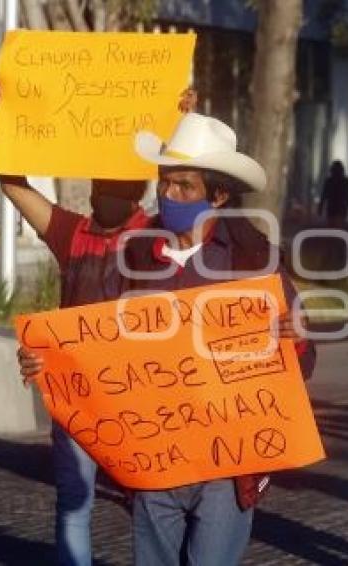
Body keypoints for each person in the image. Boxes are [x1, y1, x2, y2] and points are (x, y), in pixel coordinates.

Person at [0, 82, 195, 566]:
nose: (109, 193)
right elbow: (13, 183)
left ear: (140, 190)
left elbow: (190, 188)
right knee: (75, 504)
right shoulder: (69, 231)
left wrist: (184, 121)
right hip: (76, 396)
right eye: (103, 184)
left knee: (153, 504)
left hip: (142, 396)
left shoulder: (156, 234)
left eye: (120, 186)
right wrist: (2, 121)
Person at [123, 111, 315, 565]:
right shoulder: (134, 256)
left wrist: (296, 340)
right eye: (165, 182)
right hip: (157, 455)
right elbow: (98, 340)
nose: (169, 195)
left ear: (219, 194)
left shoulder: (257, 261)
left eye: (184, 186)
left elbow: (302, 366)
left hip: (228, 466)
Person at [318, 160, 348, 226]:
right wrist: (347, 206)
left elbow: (324, 195)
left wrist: (320, 207)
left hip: (333, 208)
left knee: (332, 226)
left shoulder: (329, 181)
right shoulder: (345, 181)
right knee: (338, 227)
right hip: (340, 208)